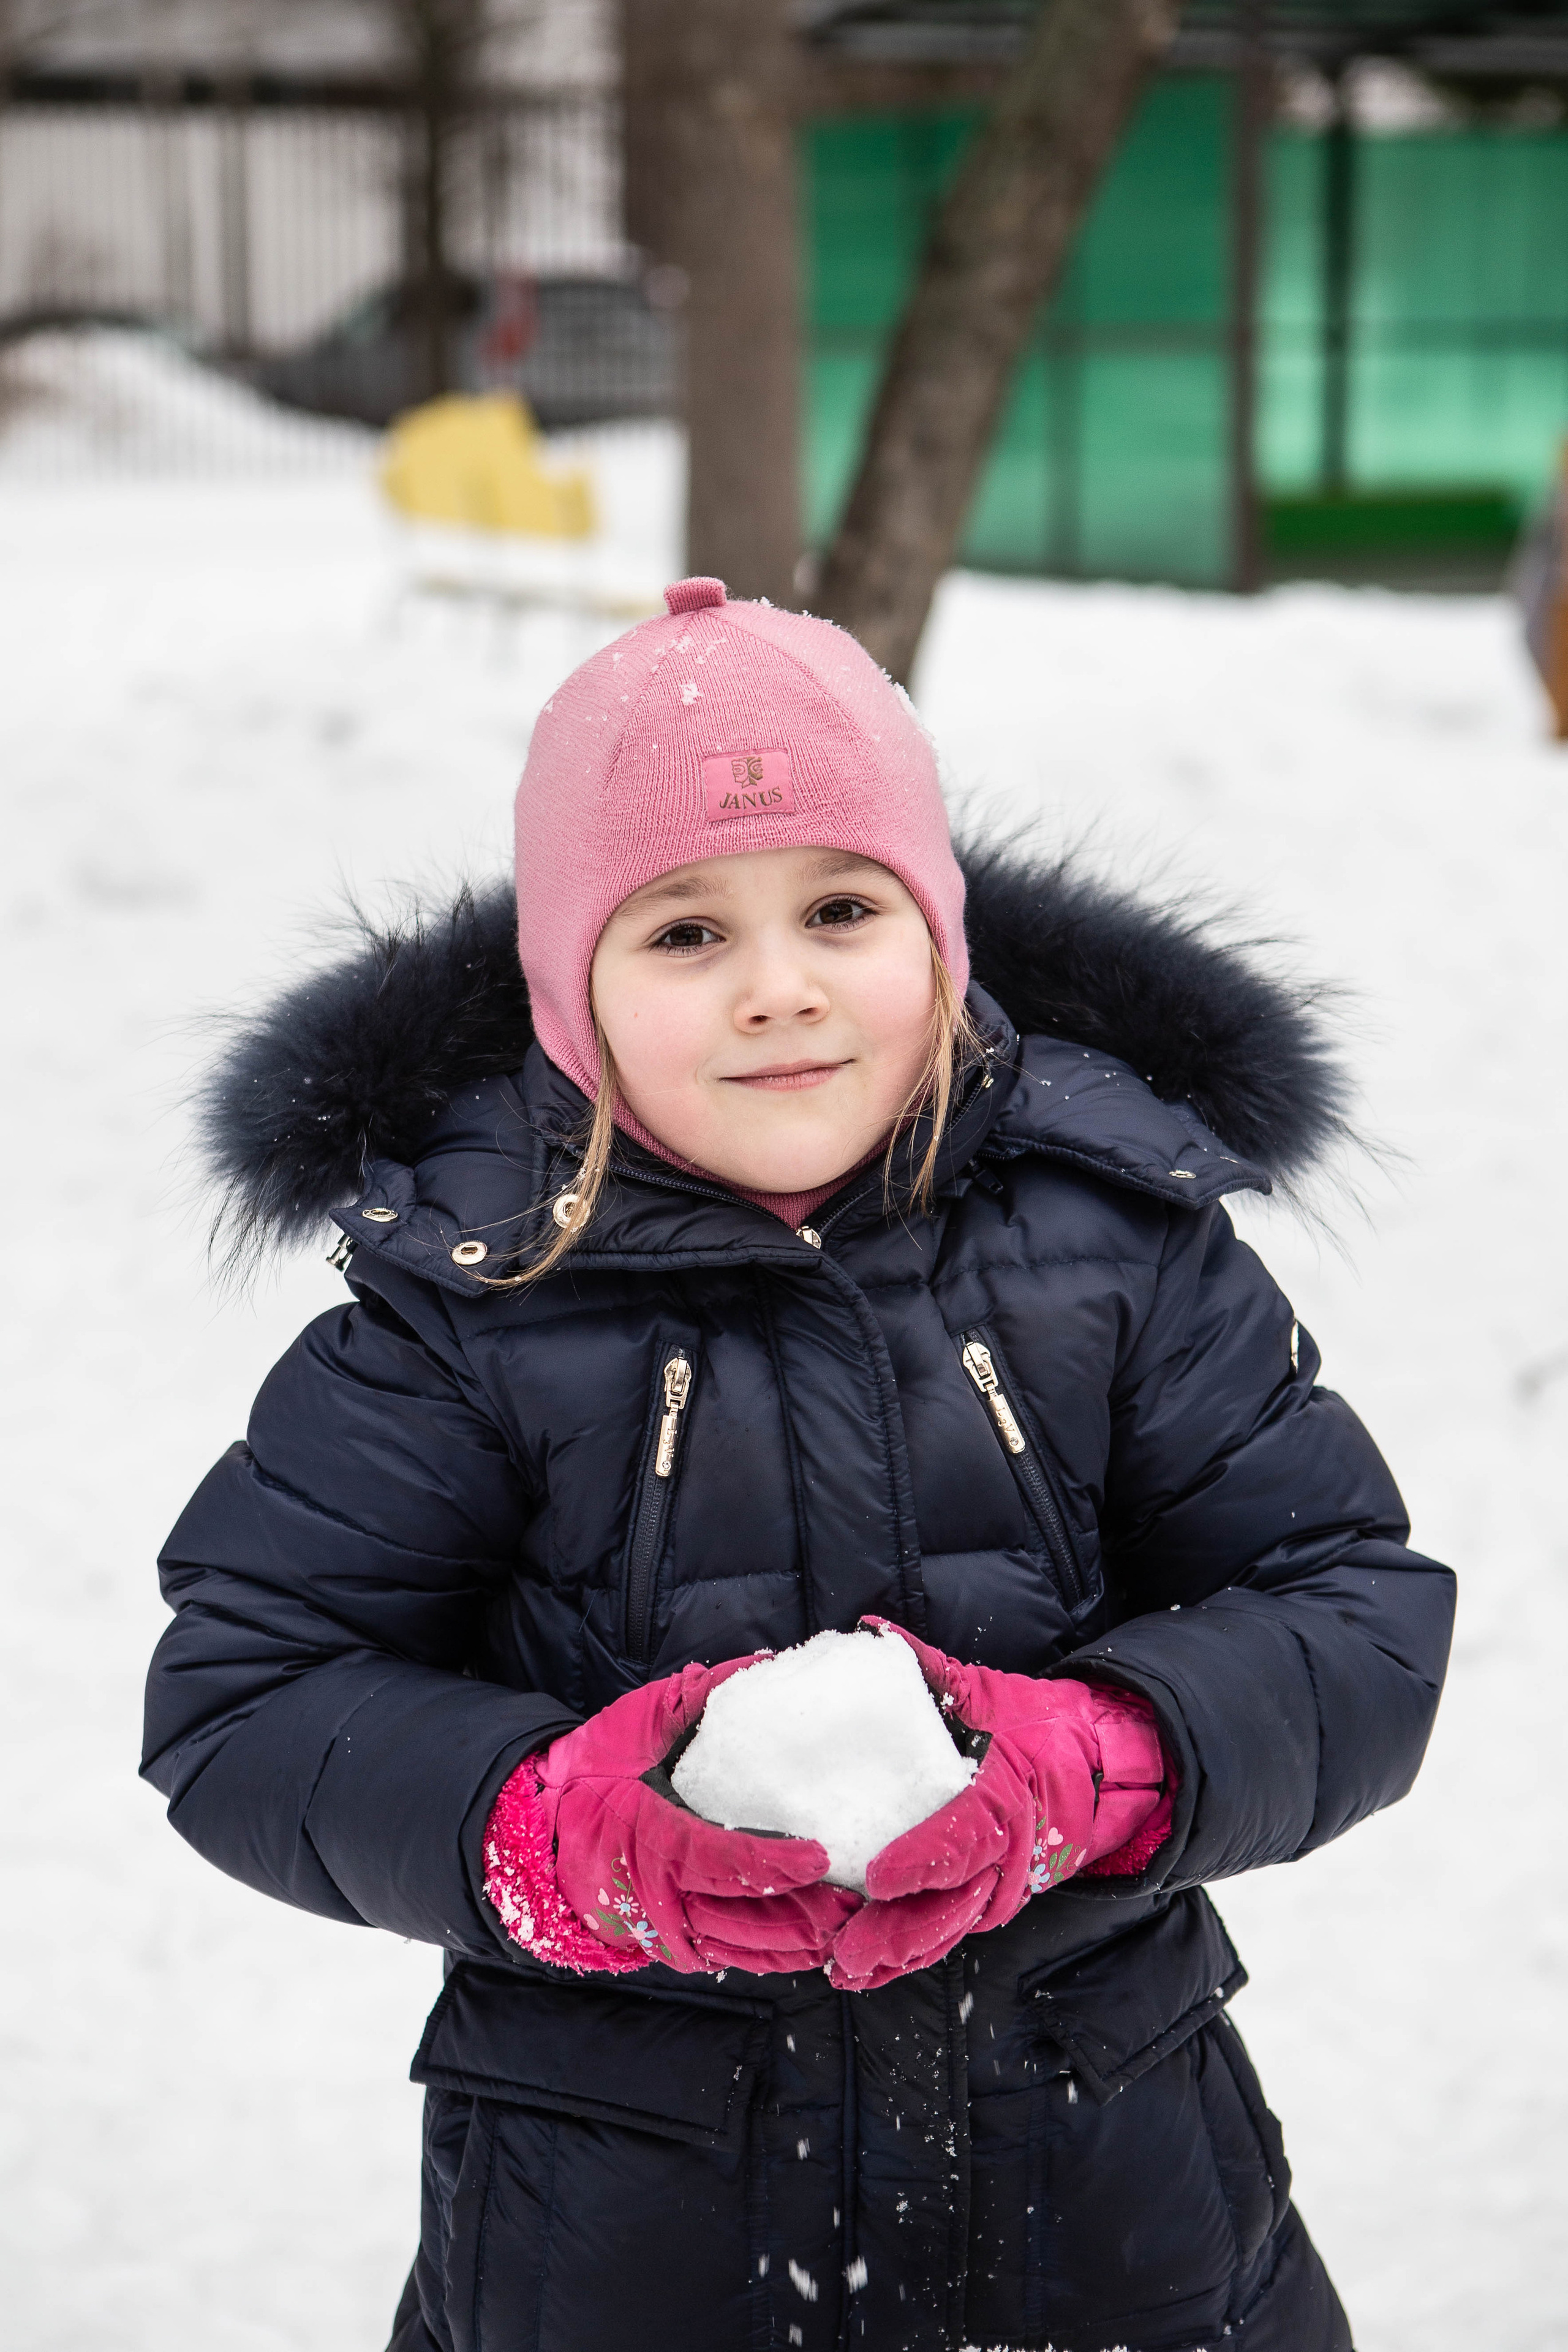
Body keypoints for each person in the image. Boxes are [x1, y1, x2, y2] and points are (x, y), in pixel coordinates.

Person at [143, 576, 1454, 2352]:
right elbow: (249, 1694)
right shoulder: (472, 1301)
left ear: (941, 934)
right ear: (565, 990)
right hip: (622, 2242)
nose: (779, 989)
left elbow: (1352, 1610)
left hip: (1117, 2208)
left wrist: (1112, 1759)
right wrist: (548, 1827)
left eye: (842, 907)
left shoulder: (1118, 1249)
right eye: (683, 933)